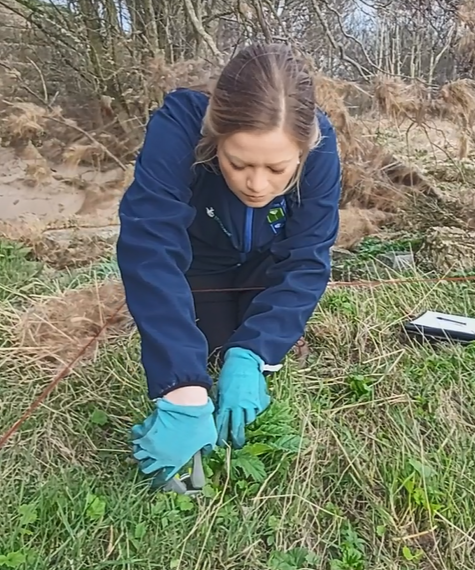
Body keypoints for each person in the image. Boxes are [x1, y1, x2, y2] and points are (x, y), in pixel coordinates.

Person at [115, 42, 342, 485]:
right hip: (203, 264)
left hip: (266, 264)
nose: (257, 185)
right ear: (215, 135)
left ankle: (262, 344)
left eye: (277, 170)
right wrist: (179, 386)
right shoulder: (179, 126)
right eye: (238, 163)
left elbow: (307, 256)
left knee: (245, 351)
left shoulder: (322, 146)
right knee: (206, 357)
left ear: (302, 151)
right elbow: (151, 243)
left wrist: (256, 351)